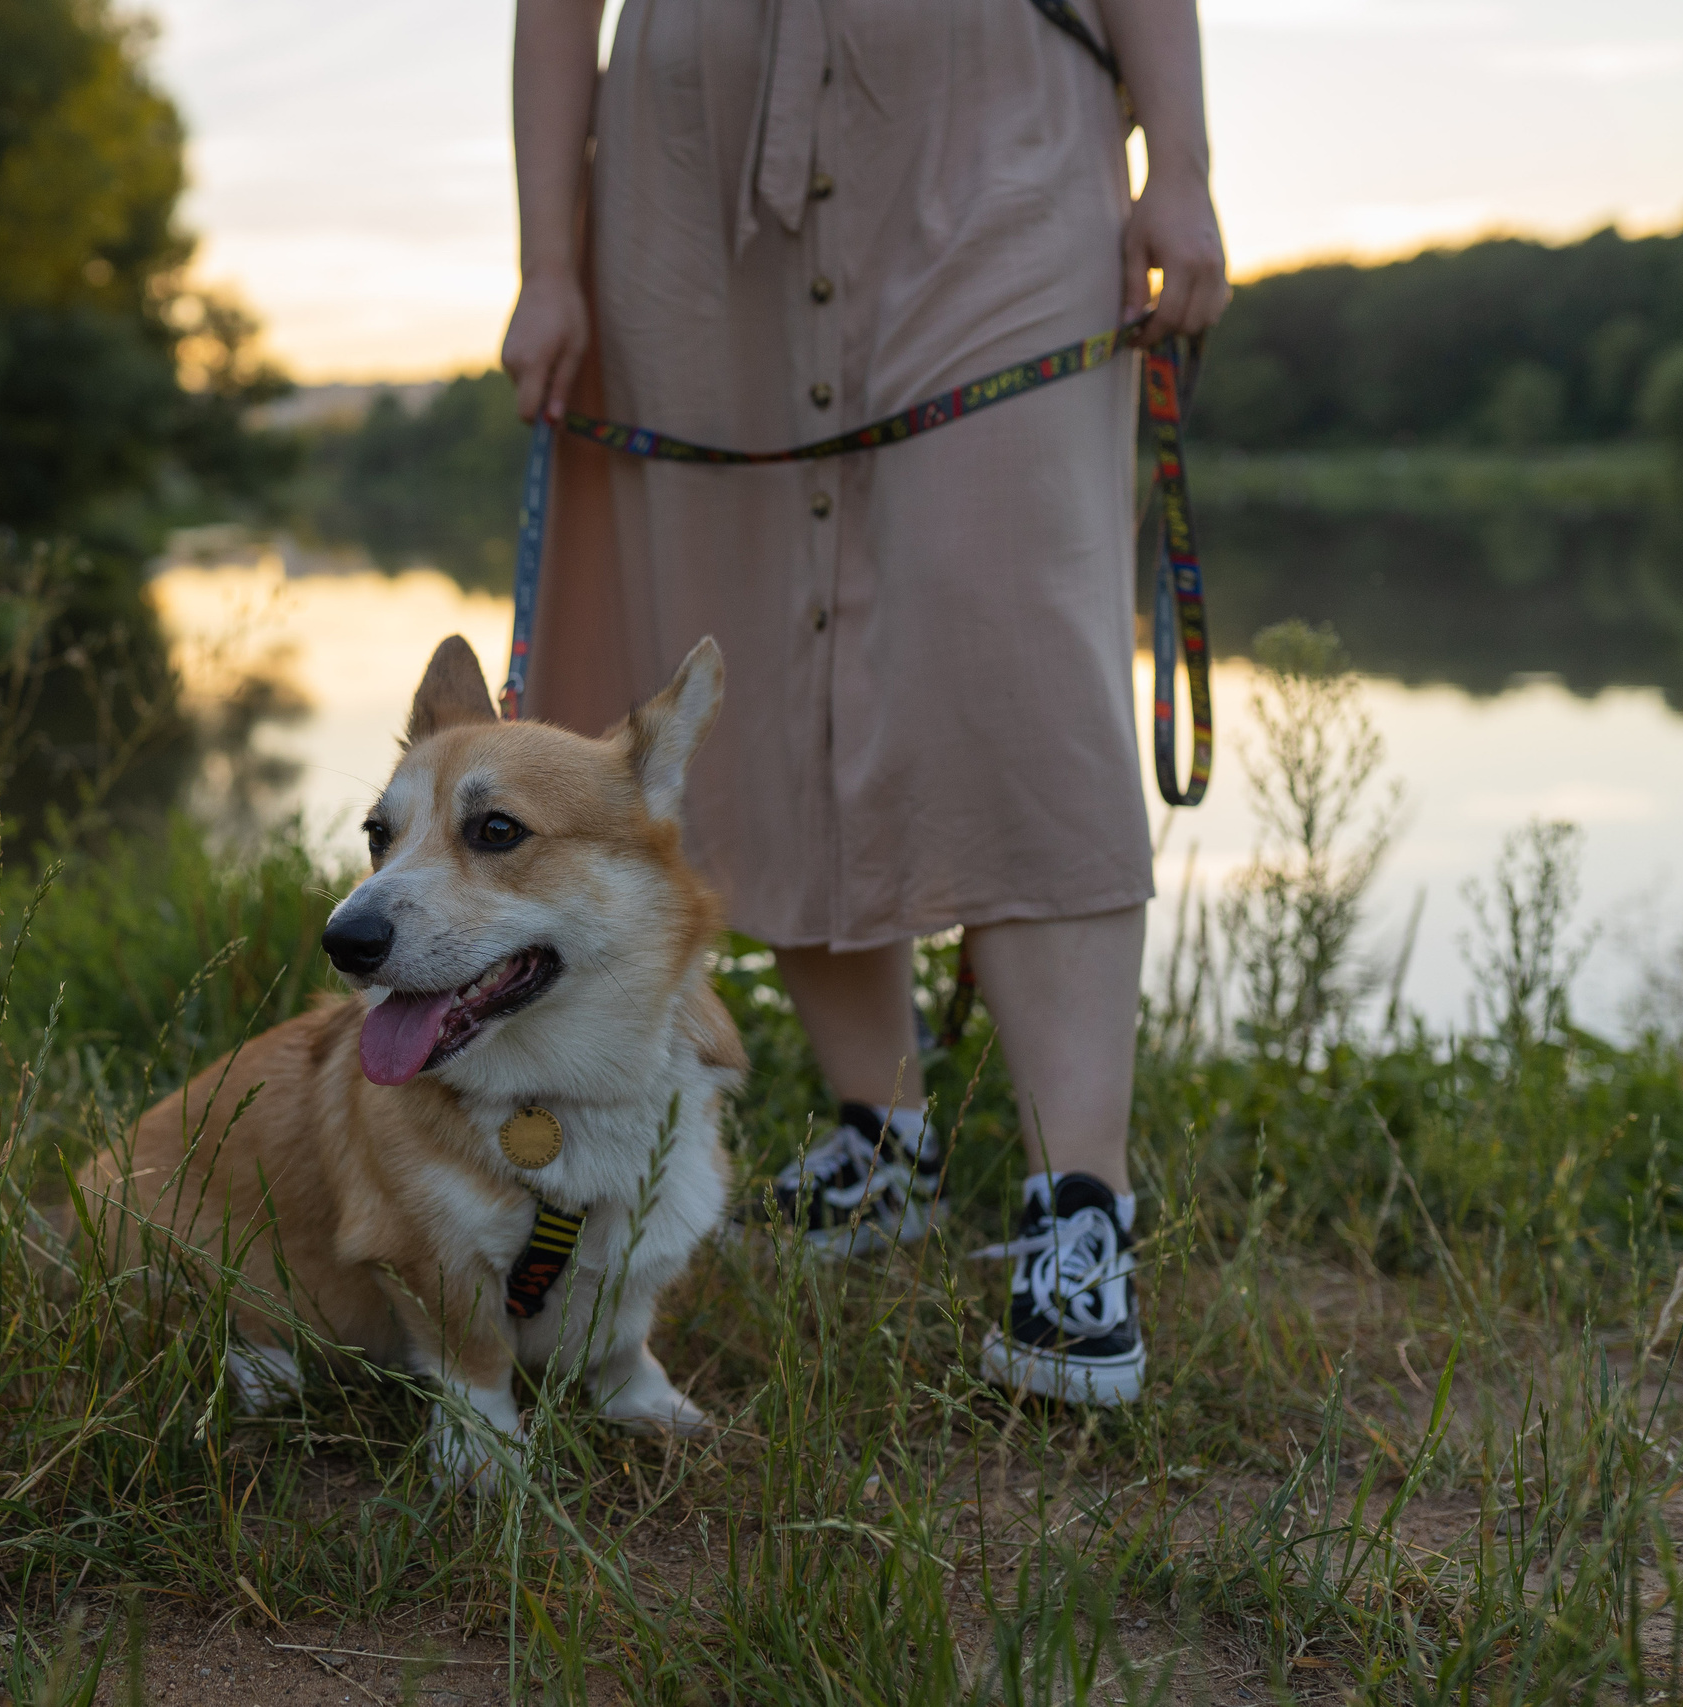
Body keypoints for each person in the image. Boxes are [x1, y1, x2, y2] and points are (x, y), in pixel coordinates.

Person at [500, 0, 1230, 1406]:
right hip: (689, 171)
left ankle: (1081, 1209)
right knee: (753, 648)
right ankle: (880, 1139)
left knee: (1019, 659)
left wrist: (1182, 168)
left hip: (1000, 127)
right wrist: (547, 261)